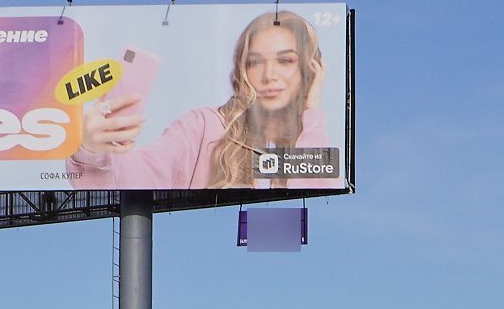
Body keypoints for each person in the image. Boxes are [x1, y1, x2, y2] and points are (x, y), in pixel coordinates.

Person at [70, 11, 339, 191]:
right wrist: (90, 149)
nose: (269, 75)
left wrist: (312, 113)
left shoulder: (322, 138)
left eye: (285, 60)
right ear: (241, 68)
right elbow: (127, 180)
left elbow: (313, 196)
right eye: (254, 62)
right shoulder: (202, 127)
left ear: (311, 68)